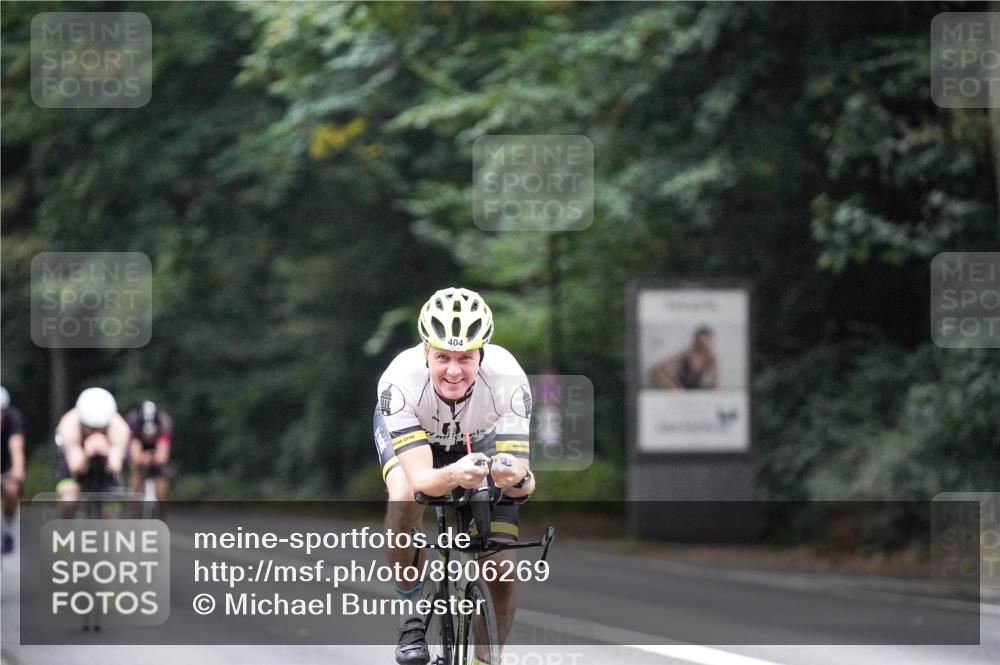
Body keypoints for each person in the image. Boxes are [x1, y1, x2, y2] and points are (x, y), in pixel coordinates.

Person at [375, 287, 535, 665]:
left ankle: (484, 660)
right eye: (443, 357)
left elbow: (525, 482)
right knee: (403, 493)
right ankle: (411, 615)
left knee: (501, 572)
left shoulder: (508, 379)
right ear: (425, 352)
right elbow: (421, 481)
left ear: (482, 355)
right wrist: (455, 474)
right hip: (419, 443)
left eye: (465, 358)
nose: (453, 370)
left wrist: (514, 478)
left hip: (480, 441)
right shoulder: (400, 382)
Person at [54, 388, 130, 505]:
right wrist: (87, 453)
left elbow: (115, 466)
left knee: (113, 503)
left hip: (105, 462)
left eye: (101, 429)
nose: (95, 433)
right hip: (72, 462)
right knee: (68, 500)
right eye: (90, 428)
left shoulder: (120, 428)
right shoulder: (69, 426)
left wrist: (105, 453)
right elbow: (75, 466)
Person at [125, 400, 173, 503]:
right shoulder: (134, 423)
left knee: (160, 473)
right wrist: (141, 459)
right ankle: (133, 504)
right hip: (139, 446)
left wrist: (156, 458)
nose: (149, 437)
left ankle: (161, 506)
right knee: (136, 471)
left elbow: (162, 453)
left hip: (156, 447)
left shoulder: (163, 423)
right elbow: (135, 453)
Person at [649, 324, 719, 390]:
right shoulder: (687, 353)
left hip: (695, 388)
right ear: (696, 340)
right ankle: (678, 392)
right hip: (679, 386)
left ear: (709, 341)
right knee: (657, 372)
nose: (702, 344)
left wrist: (711, 387)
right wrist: (668, 378)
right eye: (700, 341)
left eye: (705, 341)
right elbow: (662, 365)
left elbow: (715, 381)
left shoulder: (710, 358)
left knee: (713, 387)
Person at [1, 386, 26, 554]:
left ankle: (7, 528)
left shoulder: (13, 418)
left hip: (6, 462)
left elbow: (16, 446)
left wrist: (18, 468)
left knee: (12, 489)